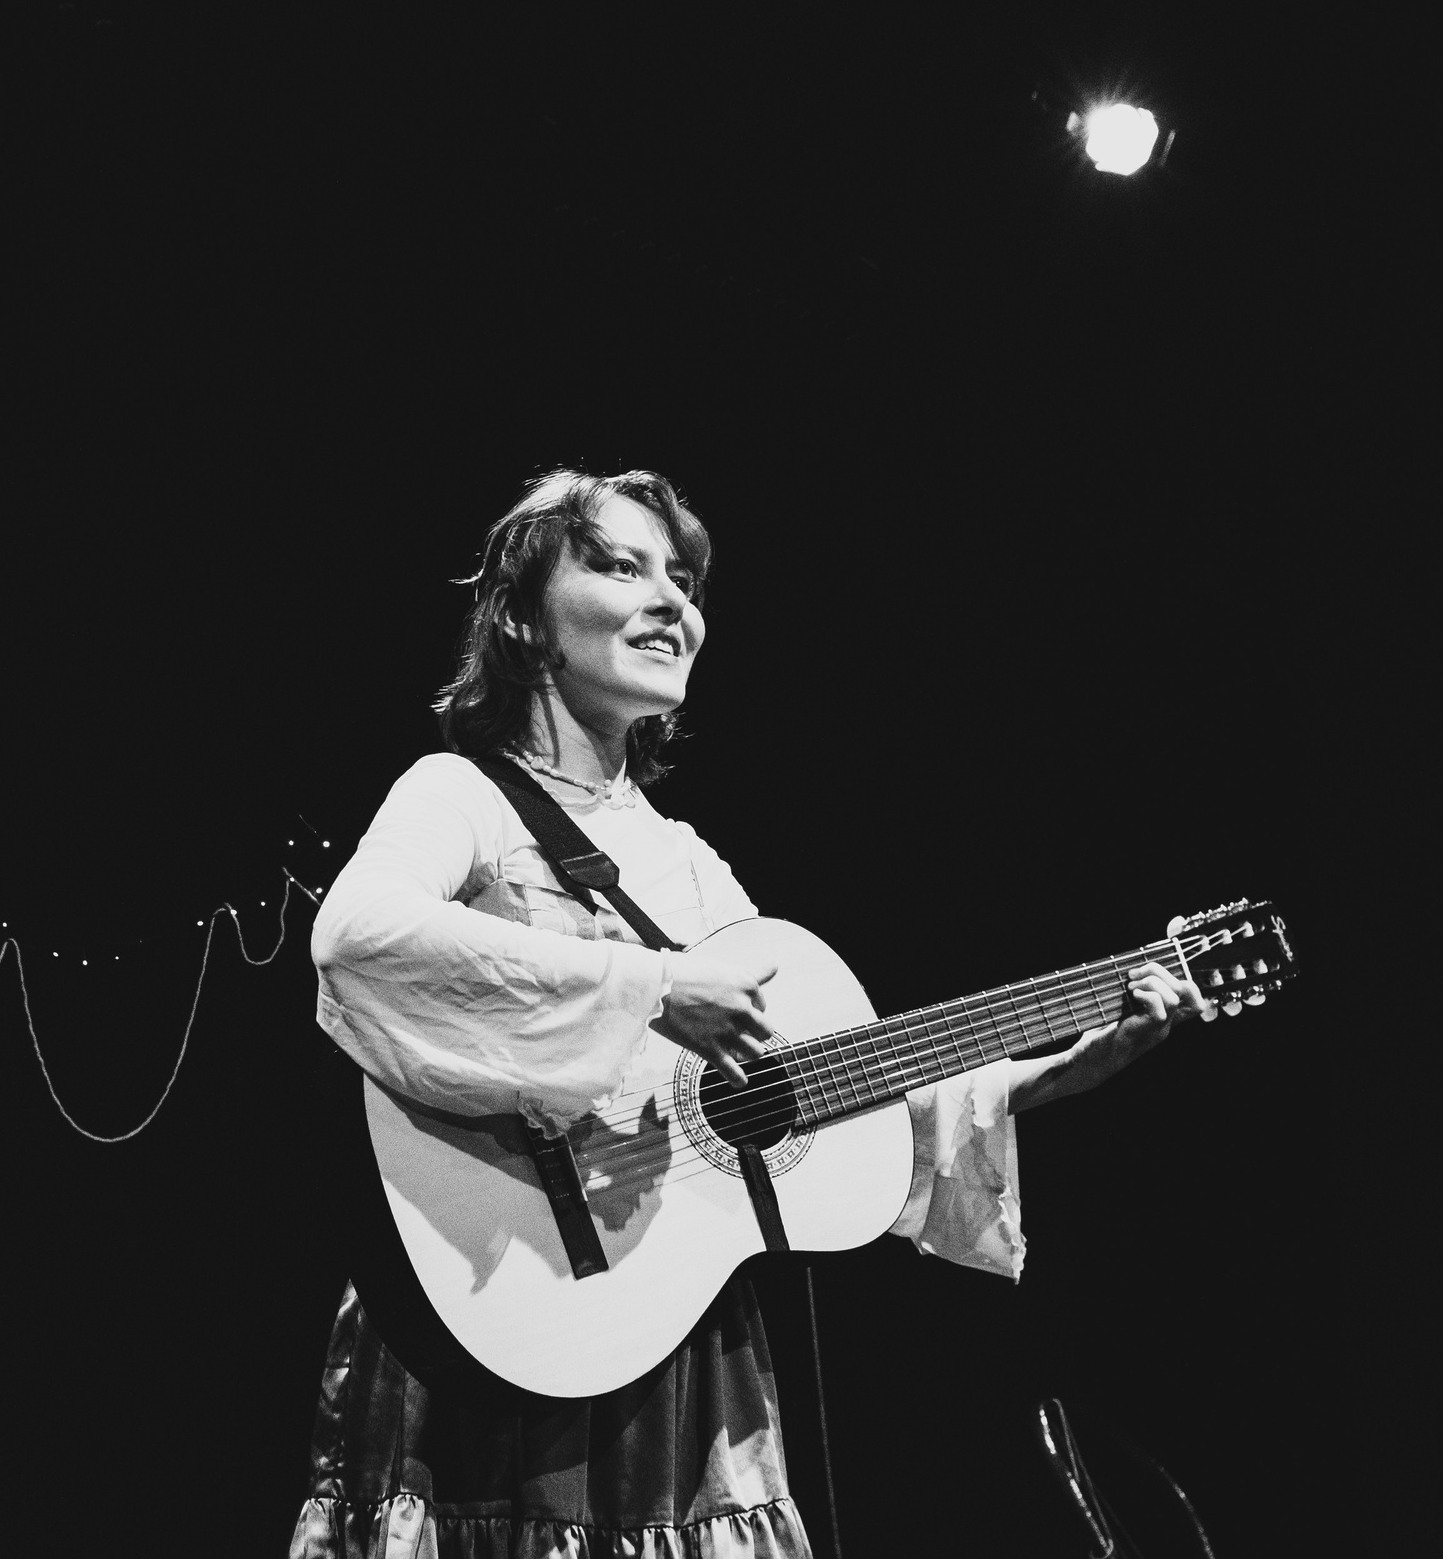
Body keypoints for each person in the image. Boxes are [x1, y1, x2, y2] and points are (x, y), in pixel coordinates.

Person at [289, 468, 1205, 1559]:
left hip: (672, 1344)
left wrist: (1060, 1066)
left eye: (681, 578)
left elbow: (822, 1099)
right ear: (526, 618)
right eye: (621, 567)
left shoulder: (691, 867)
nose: (671, 600)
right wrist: (652, 988)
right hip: (497, 1292)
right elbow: (359, 938)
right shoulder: (462, 795)